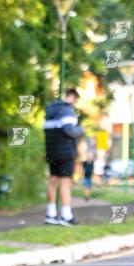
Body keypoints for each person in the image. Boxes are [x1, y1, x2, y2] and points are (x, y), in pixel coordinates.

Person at [43, 87, 84, 226]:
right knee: (66, 182)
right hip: (66, 152)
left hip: (51, 151)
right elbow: (70, 131)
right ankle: (66, 216)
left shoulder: (50, 110)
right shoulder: (67, 110)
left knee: (53, 181)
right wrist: (81, 129)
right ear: (72, 97)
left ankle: (51, 214)